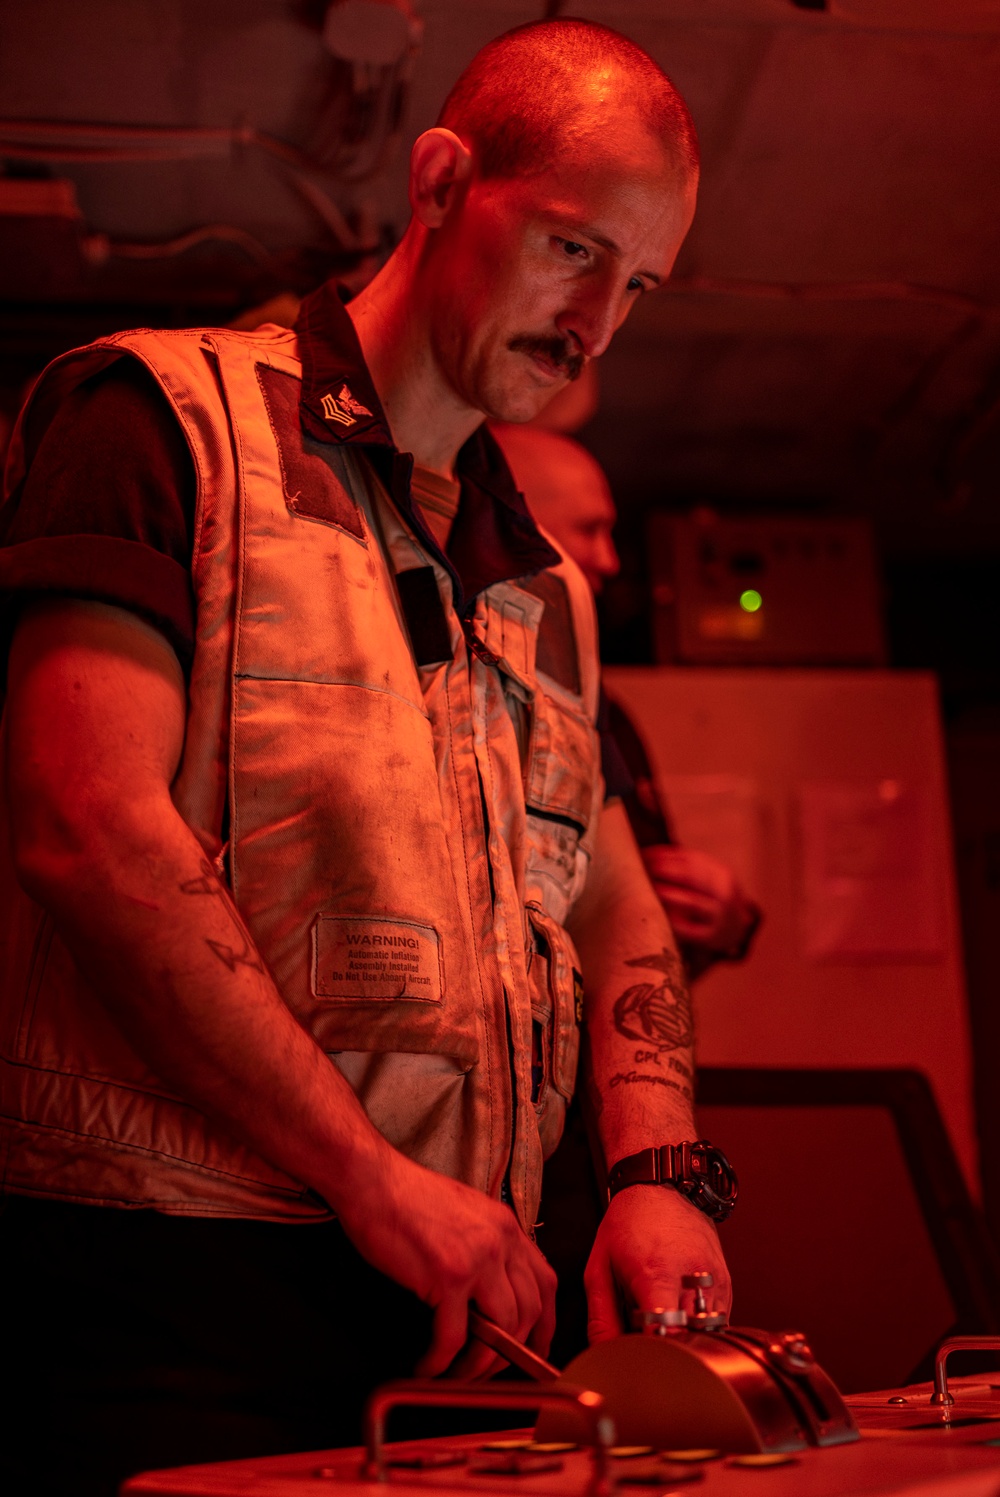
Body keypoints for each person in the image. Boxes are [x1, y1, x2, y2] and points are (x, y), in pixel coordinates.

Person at [0, 19, 730, 1495]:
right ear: (445, 179)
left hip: (469, 1305)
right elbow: (87, 827)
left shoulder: (541, 577)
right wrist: (372, 1177)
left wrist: (657, 1173)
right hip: (173, 1313)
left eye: (639, 286)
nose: (600, 322)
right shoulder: (156, 417)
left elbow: (605, 893)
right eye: (578, 249)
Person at [491, 423, 761, 979]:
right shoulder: (449, 690)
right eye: (590, 531)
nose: (610, 561)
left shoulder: (601, 713)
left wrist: (722, 923)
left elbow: (639, 925)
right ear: (512, 526)